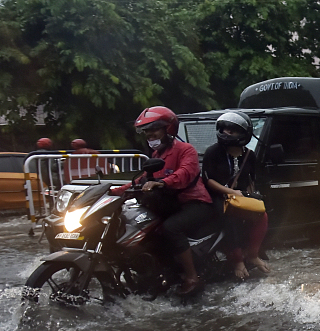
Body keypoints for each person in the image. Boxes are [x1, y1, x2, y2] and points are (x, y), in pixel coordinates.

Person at [112, 106, 215, 295]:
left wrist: (161, 183)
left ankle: (192, 277)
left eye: (154, 130)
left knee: (170, 228)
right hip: (169, 204)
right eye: (147, 131)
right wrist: (115, 191)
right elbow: (142, 179)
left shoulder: (186, 149)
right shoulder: (157, 156)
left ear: (168, 129)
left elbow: (185, 173)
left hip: (194, 203)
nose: (150, 135)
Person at [202, 111, 270, 281]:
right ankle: (238, 261)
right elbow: (208, 180)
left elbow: (250, 180)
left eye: (232, 131)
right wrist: (230, 192)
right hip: (217, 197)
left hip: (240, 196)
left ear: (243, 134)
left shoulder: (249, 154)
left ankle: (253, 254)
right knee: (229, 219)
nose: (227, 133)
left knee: (262, 214)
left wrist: (252, 198)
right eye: (225, 129)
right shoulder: (213, 152)